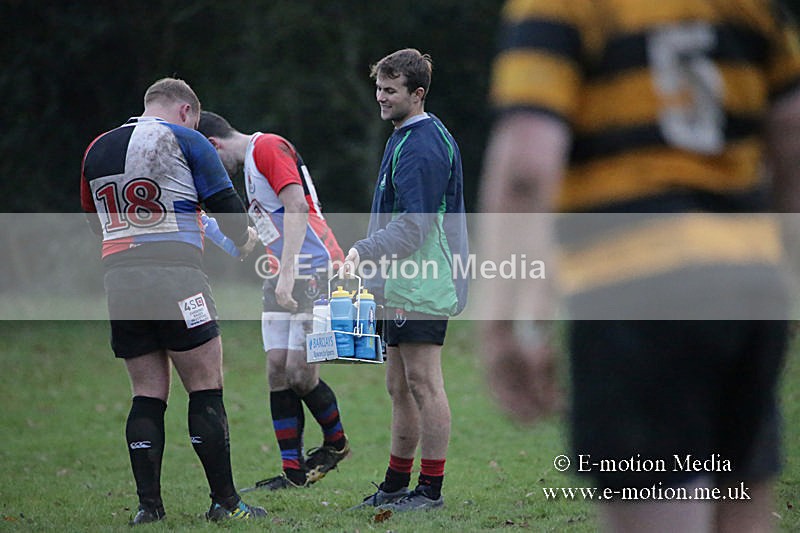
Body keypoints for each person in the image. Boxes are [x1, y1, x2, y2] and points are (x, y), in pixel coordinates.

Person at [480, 1, 800, 531]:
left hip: (634, 292)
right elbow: (791, 134)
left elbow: (526, 165)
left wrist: (499, 323)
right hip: (749, 286)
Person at [80, 78, 266, 524]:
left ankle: (149, 508)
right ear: (186, 111)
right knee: (204, 386)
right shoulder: (186, 139)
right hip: (177, 276)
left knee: (146, 394)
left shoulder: (96, 148)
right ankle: (226, 503)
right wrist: (245, 239)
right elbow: (226, 206)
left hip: (120, 279)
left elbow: (93, 222)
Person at [343, 48, 469, 512]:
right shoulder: (402, 136)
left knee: (424, 383)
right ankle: (396, 484)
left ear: (417, 94)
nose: (380, 97)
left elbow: (416, 225)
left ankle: (429, 490)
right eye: (378, 87)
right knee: (398, 385)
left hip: (424, 280)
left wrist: (362, 251)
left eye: (390, 90)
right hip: (400, 282)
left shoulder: (423, 143)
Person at [197, 110, 350, 491]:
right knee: (277, 371)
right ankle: (293, 474)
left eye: (205, 159)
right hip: (282, 276)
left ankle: (336, 444)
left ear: (214, 145)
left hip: (316, 272)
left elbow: (297, 206)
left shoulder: (267, 146)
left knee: (300, 373)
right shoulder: (250, 168)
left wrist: (286, 272)